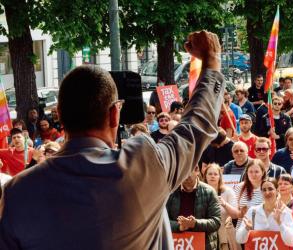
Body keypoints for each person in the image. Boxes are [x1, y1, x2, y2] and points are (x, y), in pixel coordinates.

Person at [0, 30, 225, 249]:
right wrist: (211, 61)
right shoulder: (144, 165)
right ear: (114, 114)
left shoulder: (18, 191)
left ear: (59, 113)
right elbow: (196, 125)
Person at [166, 166, 221, 250]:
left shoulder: (209, 192)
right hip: (177, 244)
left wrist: (195, 224)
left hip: (203, 246)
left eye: (188, 173)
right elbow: (162, 221)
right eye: (182, 173)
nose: (185, 176)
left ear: (197, 171)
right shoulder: (170, 192)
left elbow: (216, 222)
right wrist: (179, 226)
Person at [236, 177, 293, 247]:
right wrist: (246, 229)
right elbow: (239, 239)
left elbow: (292, 241)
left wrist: (280, 223)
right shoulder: (253, 211)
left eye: (270, 189)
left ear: (277, 190)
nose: (267, 192)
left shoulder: (285, 212)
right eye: (264, 190)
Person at [204, 163, 240, 250]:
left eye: (215, 174)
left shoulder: (228, 192)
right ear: (205, 176)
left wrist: (224, 204)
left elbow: (235, 215)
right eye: (210, 174)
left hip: (225, 235)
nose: (213, 176)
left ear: (220, 177)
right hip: (205, 234)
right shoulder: (200, 192)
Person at [233, 159, 265, 231]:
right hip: (243, 231)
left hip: (263, 230)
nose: (253, 174)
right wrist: (240, 213)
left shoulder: (267, 187)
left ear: (262, 172)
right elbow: (235, 209)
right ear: (247, 172)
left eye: (256, 172)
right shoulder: (239, 187)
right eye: (250, 172)